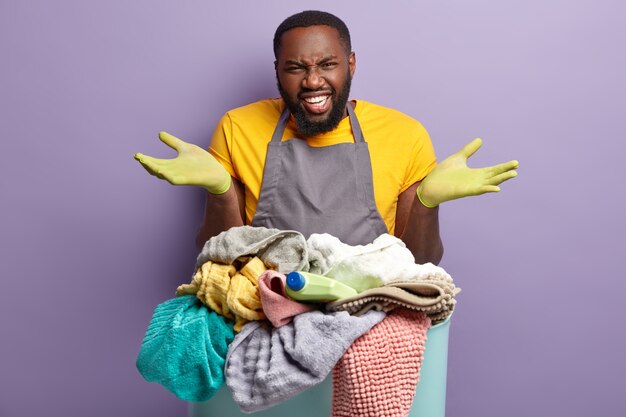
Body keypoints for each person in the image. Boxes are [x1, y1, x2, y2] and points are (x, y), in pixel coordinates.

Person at [134, 10, 518, 265]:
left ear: (350, 63)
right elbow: (219, 253)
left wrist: (427, 202)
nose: (313, 81)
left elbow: (418, 263)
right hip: (264, 308)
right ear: (277, 70)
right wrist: (218, 189)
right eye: (296, 68)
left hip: (369, 310)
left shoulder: (405, 133)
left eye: (327, 65)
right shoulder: (239, 126)